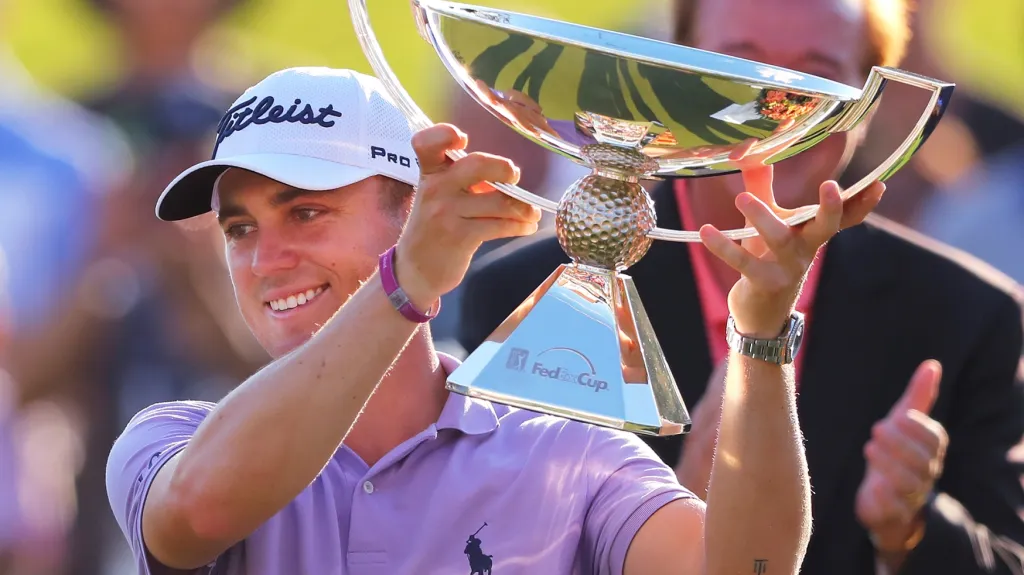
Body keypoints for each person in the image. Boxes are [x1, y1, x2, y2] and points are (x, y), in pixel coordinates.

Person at [105, 66, 881, 575]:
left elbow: (745, 569)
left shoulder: (566, 452)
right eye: (238, 228)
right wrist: (403, 283)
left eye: (305, 212)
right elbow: (200, 509)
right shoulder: (170, 438)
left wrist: (761, 334)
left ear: (410, 213)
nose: (264, 259)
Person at [457, 1, 1024, 574]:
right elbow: (487, 547)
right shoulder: (522, 293)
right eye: (735, 71)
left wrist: (911, 529)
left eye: (816, 78)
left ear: (867, 105)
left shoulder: (968, 316)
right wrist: (672, 507)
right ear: (671, 77)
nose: (773, 110)